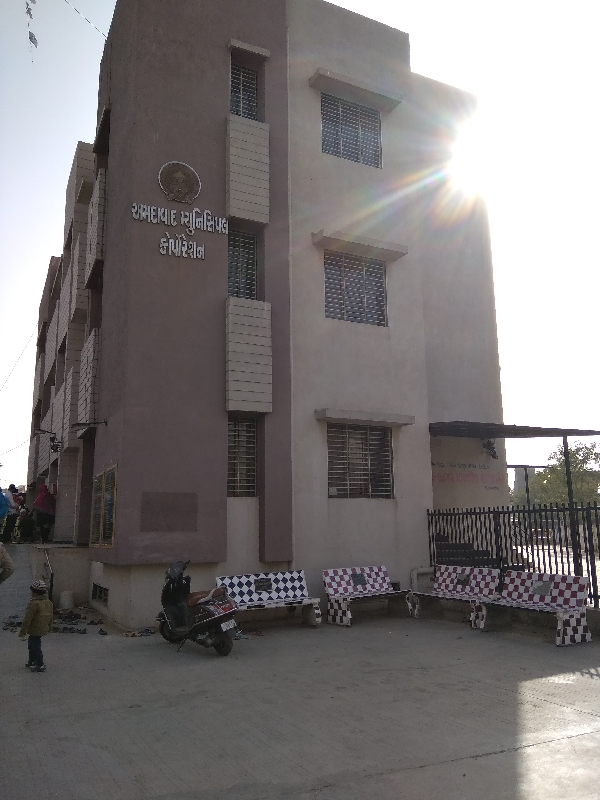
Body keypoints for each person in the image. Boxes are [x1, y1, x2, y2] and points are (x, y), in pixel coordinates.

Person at [19, 579, 54, 672]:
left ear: (34, 592)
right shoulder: (48, 602)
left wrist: (22, 632)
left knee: (34, 646)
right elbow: (51, 616)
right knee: (32, 644)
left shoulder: (34, 604)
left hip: (35, 628)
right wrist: (50, 627)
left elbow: (27, 619)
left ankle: (40, 664)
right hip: (43, 627)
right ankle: (32, 661)